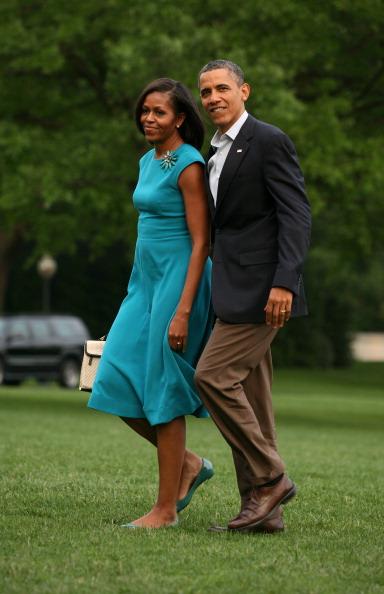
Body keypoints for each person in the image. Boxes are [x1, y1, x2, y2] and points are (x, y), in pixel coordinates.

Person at [88, 78, 214, 529]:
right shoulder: (148, 160)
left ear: (179, 118)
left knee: (162, 388)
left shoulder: (189, 164)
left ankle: (164, 511)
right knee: (113, 375)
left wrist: (183, 308)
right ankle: (191, 464)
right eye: (144, 111)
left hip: (178, 283)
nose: (148, 118)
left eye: (159, 112)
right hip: (143, 284)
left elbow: (201, 242)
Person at [195, 60, 311, 533]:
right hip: (233, 287)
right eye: (205, 92)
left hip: (266, 290)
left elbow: (296, 215)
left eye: (223, 88)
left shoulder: (268, 140)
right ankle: (264, 511)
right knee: (256, 399)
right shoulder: (213, 150)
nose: (213, 98)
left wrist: (285, 281)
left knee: (213, 375)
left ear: (244, 90)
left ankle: (271, 477)